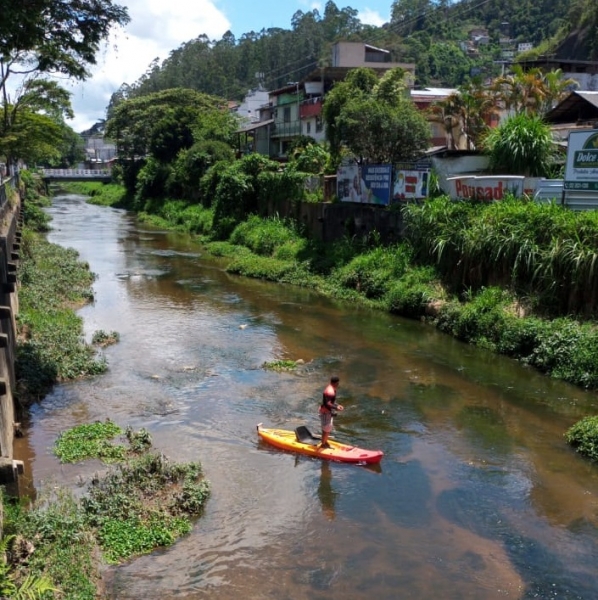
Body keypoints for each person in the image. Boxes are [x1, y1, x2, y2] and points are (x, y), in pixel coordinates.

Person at [319, 376, 343, 448]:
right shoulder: (330, 391)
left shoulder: (332, 389)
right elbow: (327, 403)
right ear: (337, 383)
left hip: (328, 412)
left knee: (328, 428)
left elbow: (331, 402)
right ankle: (323, 444)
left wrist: (337, 405)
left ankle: (325, 442)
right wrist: (336, 407)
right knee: (325, 429)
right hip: (325, 412)